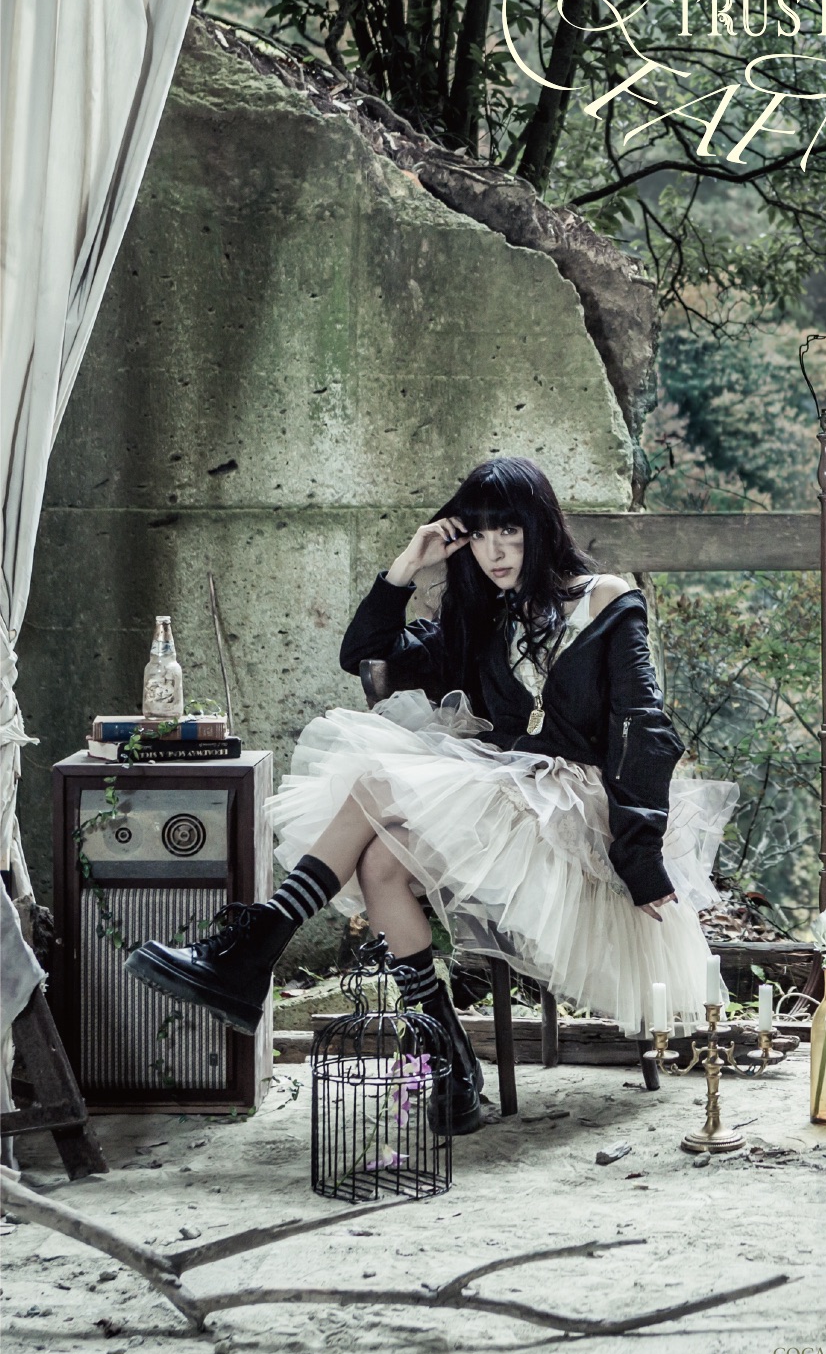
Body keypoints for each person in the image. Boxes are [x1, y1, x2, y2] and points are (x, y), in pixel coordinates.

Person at [126, 456, 734, 1134]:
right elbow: (365, 654)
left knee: (375, 781)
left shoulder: (605, 599)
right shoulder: (480, 617)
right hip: (501, 793)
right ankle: (448, 1063)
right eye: (480, 535)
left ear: (539, 527)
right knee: (380, 863)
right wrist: (405, 566)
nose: (494, 551)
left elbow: (642, 727)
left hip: (576, 809)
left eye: (509, 531)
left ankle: (254, 950)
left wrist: (640, 853)